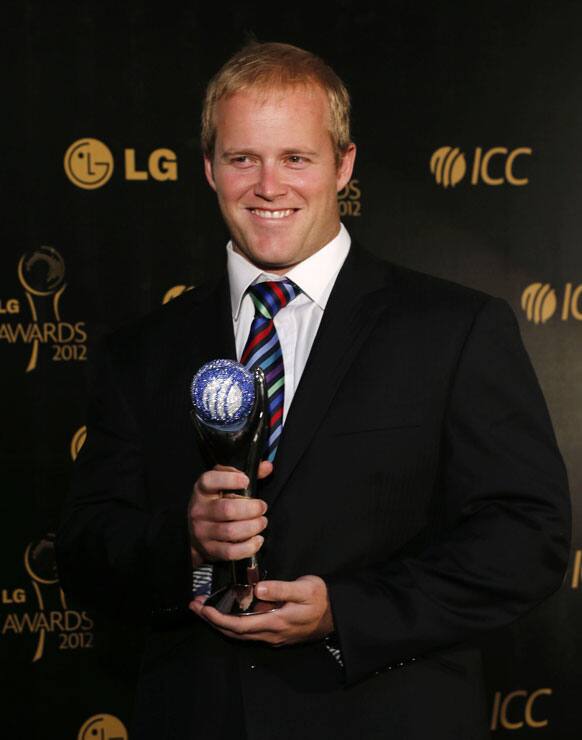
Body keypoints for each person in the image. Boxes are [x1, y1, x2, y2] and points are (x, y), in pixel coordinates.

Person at [55, 41, 571, 740]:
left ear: (344, 165)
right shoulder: (142, 351)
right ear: (209, 169)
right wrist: (186, 544)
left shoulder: (453, 329)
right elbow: (88, 552)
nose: (270, 186)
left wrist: (345, 612)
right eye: (244, 159)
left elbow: (527, 539)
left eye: (296, 157)